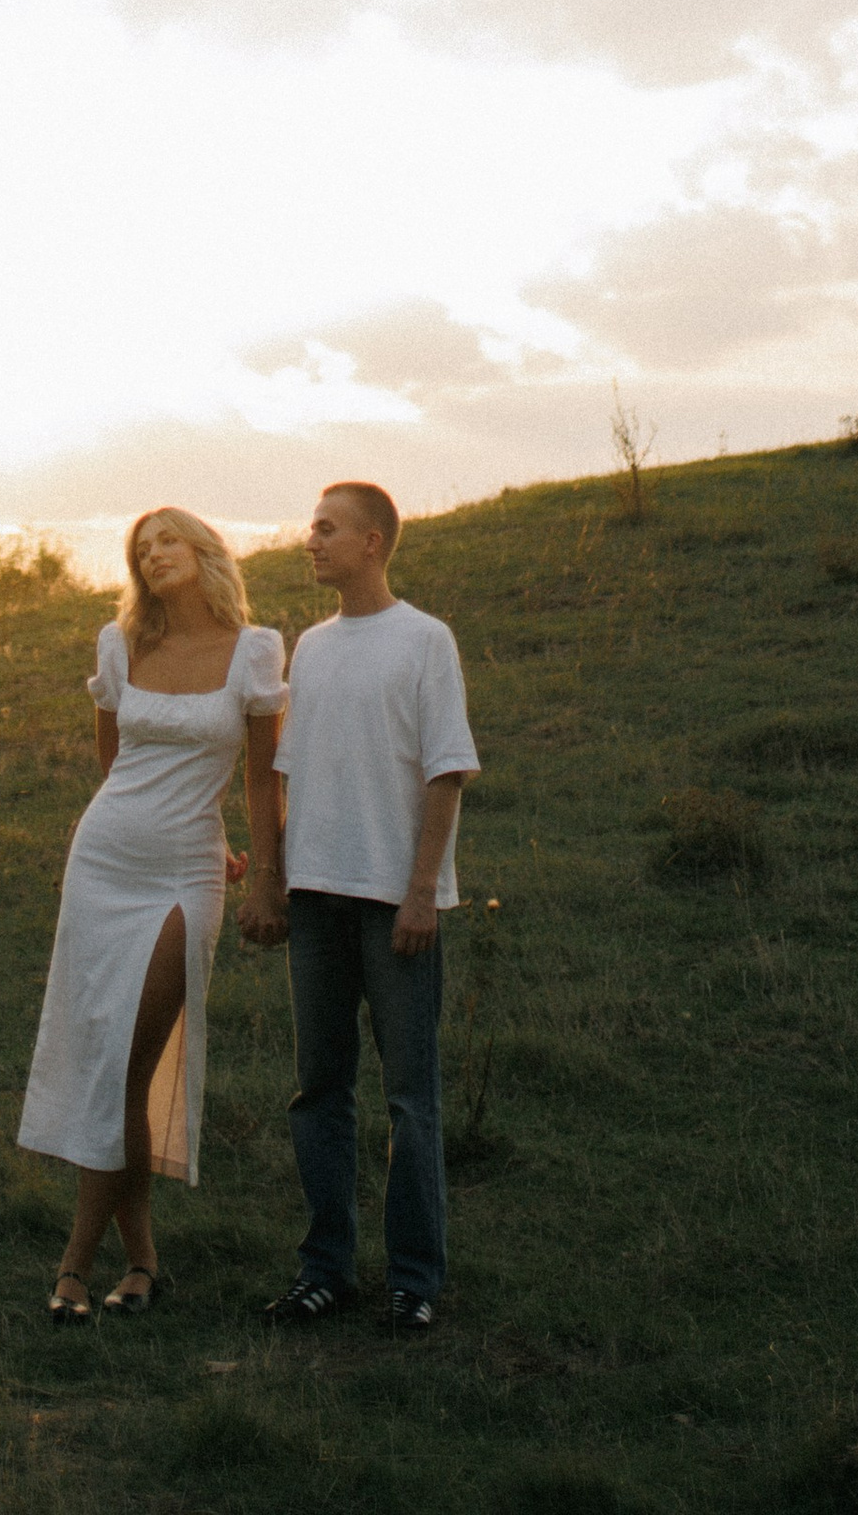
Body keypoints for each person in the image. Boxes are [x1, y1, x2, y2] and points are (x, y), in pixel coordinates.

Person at [17, 506, 285, 1320]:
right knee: (115, 1065)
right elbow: (114, 758)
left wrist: (261, 872)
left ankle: (72, 1264)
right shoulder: (120, 643)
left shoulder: (256, 650)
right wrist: (146, 811)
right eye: (142, 547)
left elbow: (262, 778)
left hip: (183, 875)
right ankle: (141, 1263)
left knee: (125, 1062)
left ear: (206, 551)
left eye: (168, 539)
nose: (153, 553)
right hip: (102, 861)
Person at [240, 479, 480, 1338]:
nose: (310, 540)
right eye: (312, 525)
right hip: (317, 901)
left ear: (372, 541)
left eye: (325, 528)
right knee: (320, 1090)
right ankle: (325, 1270)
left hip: (394, 906)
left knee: (410, 1099)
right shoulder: (314, 645)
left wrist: (423, 892)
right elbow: (287, 771)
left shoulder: (425, 641)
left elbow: (446, 771)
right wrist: (270, 880)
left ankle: (414, 1280)